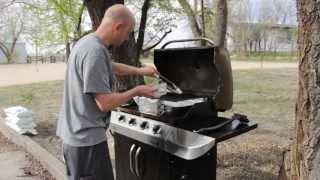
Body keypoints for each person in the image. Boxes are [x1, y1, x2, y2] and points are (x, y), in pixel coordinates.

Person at [56, 4, 158, 180]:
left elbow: (111, 67)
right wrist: (138, 91)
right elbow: (105, 103)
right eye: (127, 33)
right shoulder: (94, 52)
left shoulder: (87, 43)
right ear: (118, 27)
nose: (126, 39)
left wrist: (141, 71)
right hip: (86, 141)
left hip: (74, 135)